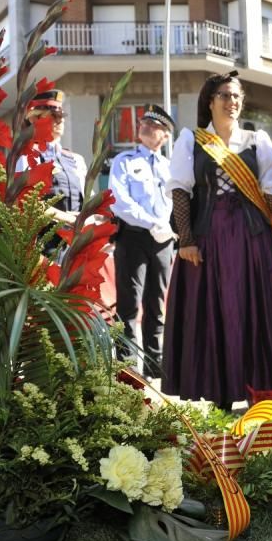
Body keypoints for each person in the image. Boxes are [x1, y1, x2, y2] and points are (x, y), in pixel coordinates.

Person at [163, 71, 272, 409]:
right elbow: (181, 191)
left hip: (254, 241)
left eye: (237, 96)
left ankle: (260, 399)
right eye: (225, 95)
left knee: (255, 311)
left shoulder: (258, 141)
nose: (232, 102)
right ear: (209, 101)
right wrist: (186, 240)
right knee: (214, 314)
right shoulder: (190, 140)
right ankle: (220, 398)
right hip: (208, 240)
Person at [109, 104, 176, 378]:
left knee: (157, 303)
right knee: (128, 304)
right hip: (134, 238)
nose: (147, 127)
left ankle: (153, 365)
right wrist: (151, 223)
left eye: (155, 125)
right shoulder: (124, 160)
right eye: (144, 123)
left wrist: (167, 228)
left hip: (163, 241)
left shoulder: (170, 167)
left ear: (166, 136)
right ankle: (126, 365)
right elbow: (119, 200)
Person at [15, 89, 89, 252]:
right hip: (43, 246)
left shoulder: (76, 159)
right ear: (34, 119)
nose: (59, 121)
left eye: (61, 116)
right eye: (53, 116)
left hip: (75, 245)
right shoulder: (27, 157)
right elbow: (28, 203)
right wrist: (69, 219)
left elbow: (84, 200)